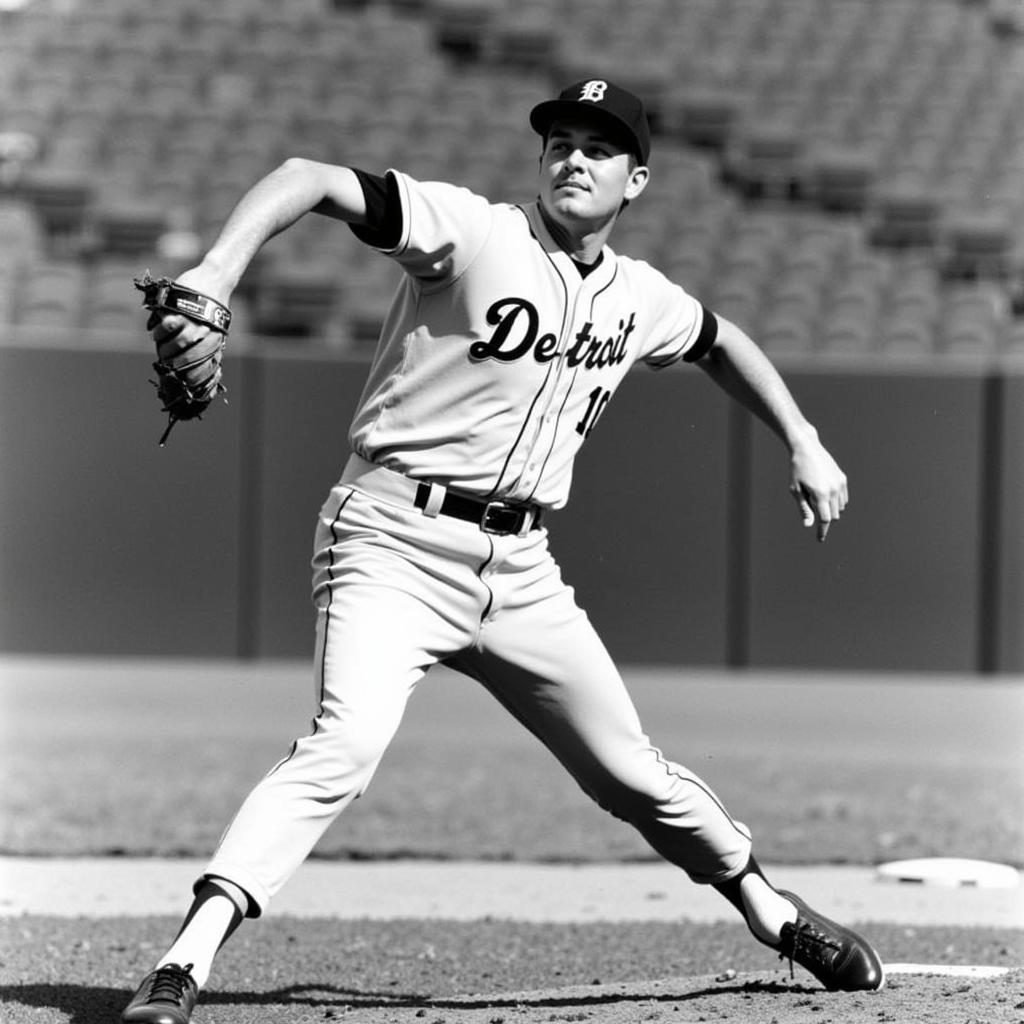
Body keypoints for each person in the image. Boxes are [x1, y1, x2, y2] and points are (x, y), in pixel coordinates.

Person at [121, 78, 882, 1024]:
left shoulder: (640, 298)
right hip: (391, 536)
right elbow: (306, 177)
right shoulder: (471, 231)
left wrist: (803, 439)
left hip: (519, 571)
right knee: (344, 746)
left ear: (635, 180)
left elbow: (721, 342)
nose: (573, 158)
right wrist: (216, 273)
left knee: (630, 771)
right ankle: (183, 964)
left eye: (598, 149)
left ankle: (771, 913)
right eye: (560, 141)